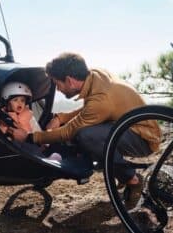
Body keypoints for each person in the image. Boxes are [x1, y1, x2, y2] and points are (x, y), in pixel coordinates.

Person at [8, 53, 161, 203]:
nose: (58, 89)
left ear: (69, 80)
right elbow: (90, 110)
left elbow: (69, 131)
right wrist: (60, 118)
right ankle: (117, 170)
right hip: (127, 126)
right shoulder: (95, 75)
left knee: (87, 136)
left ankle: (132, 179)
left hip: (143, 139)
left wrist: (30, 137)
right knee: (86, 133)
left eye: (57, 84)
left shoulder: (101, 100)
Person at [0, 81, 62, 161]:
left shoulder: (28, 115)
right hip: (14, 147)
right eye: (15, 100)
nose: (19, 103)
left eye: (22, 100)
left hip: (31, 141)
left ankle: (46, 158)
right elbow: (1, 134)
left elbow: (36, 129)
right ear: (7, 101)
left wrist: (42, 142)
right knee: (20, 144)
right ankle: (44, 160)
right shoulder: (3, 117)